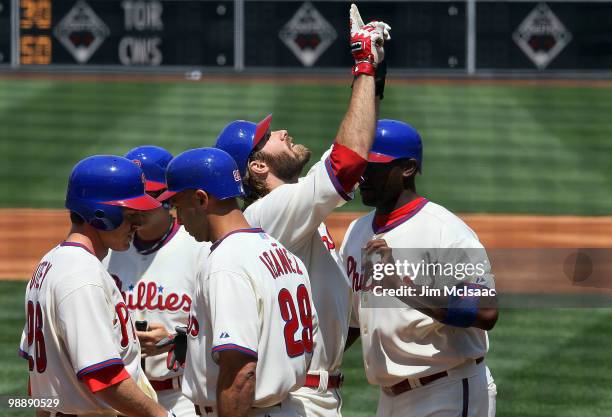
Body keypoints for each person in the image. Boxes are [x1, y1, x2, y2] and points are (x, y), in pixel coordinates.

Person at [214, 5, 390, 416]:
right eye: (269, 137)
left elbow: (355, 145)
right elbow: (347, 163)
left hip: (316, 395)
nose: (282, 132)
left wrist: (375, 78)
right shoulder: (267, 214)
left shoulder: (292, 210)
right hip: (298, 398)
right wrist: (363, 65)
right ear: (257, 167)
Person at [339, 120, 499, 417]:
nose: (362, 175)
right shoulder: (356, 233)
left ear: (407, 169)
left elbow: (485, 311)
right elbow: (349, 321)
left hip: (447, 391)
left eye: (373, 166)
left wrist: (404, 288)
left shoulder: (444, 231)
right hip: (390, 399)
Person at [157, 147, 318, 417]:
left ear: (200, 199)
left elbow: (241, 372)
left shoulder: (226, 263)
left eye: (177, 205)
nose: (177, 217)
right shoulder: (282, 254)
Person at [19, 155, 175, 417]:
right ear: (102, 215)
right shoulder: (82, 276)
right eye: (130, 215)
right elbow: (103, 376)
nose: (137, 224)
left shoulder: (51, 262)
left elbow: (37, 379)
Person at [104, 146, 209, 417]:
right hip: (123, 397)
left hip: (182, 396)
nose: (136, 206)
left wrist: (177, 341)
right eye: (130, 196)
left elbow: (227, 331)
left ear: (168, 197)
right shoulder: (108, 250)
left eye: (146, 195)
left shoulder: (199, 249)